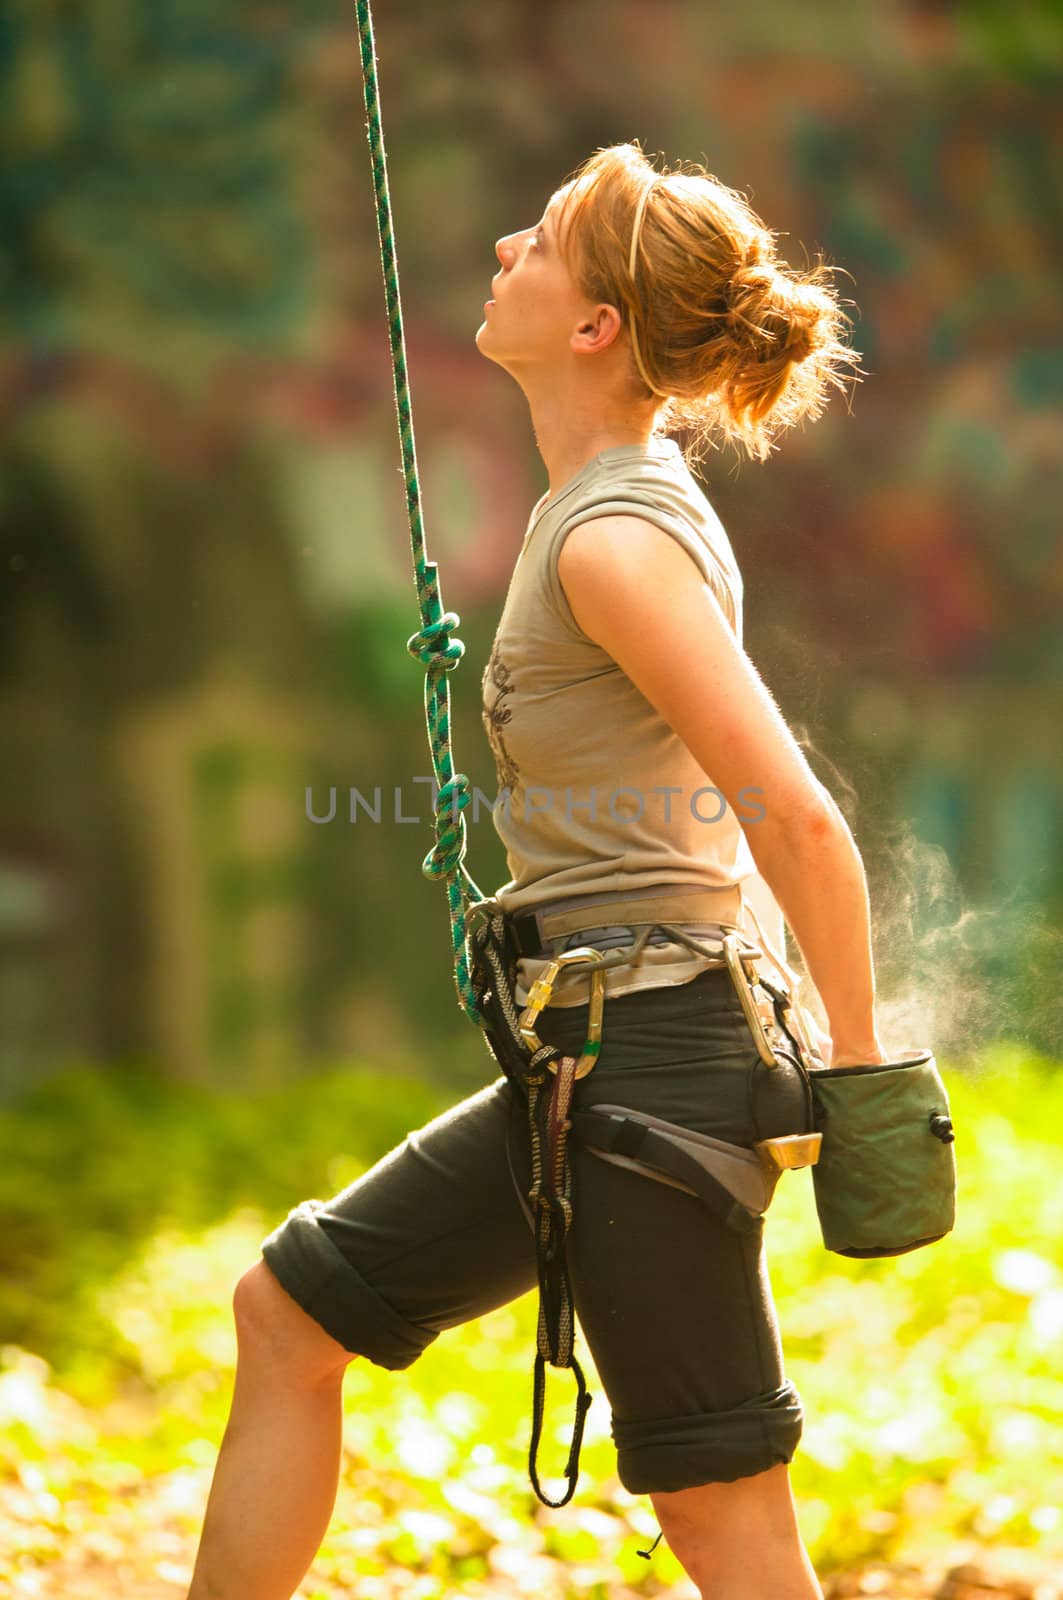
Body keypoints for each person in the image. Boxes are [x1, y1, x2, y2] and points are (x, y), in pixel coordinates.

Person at [187, 140, 882, 1600]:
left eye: (547, 236)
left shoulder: (618, 541)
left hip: (655, 1066)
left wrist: (862, 1075)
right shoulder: (605, 506)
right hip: (591, 1051)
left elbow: (794, 815)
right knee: (289, 1314)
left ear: (595, 327)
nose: (509, 241)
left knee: (723, 1509)